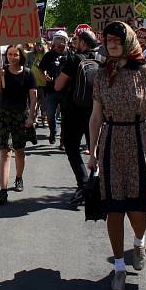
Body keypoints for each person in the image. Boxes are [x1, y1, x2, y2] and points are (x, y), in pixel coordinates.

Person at [87, 21, 146, 290]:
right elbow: (96, 117)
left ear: (127, 41)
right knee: (113, 209)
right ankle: (120, 268)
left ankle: (139, 241)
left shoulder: (145, 72)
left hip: (138, 142)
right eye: (108, 39)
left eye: (117, 39)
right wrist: (91, 152)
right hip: (111, 142)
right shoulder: (102, 75)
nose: (112, 43)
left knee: (137, 211)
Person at [54, 29, 101, 205]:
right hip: (96, 111)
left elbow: (59, 85)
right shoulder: (101, 59)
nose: (74, 42)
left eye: (77, 39)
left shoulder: (73, 59)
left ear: (83, 42)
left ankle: (83, 184)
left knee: (71, 147)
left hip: (74, 111)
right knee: (95, 149)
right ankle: (97, 185)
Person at [0, 44, 37, 204]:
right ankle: (3, 190)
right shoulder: (3, 71)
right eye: (9, 54)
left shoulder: (28, 74)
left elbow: (33, 98)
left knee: (19, 151)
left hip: (20, 116)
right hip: (4, 115)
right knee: (5, 152)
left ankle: (19, 178)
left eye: (15, 55)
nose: (12, 57)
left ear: (21, 56)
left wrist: (31, 117)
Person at [40, 31, 68, 144]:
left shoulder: (70, 55)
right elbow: (41, 68)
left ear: (66, 42)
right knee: (50, 114)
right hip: (51, 90)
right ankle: (53, 131)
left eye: (61, 40)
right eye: (57, 40)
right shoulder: (49, 55)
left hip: (66, 91)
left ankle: (63, 139)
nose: (59, 43)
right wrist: (44, 76)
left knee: (65, 117)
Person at [29, 40, 48, 126]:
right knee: (34, 101)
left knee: (44, 103)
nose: (38, 47)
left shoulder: (46, 55)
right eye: (37, 45)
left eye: (40, 45)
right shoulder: (32, 55)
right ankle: (35, 118)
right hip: (34, 83)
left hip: (43, 83)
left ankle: (44, 118)